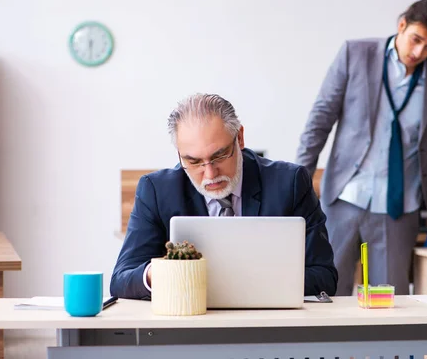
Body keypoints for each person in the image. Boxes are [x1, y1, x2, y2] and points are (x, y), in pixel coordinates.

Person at [295, 0, 427, 296]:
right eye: (416, 40)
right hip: (344, 197)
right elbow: (320, 120)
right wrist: (299, 181)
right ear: (401, 25)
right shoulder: (355, 54)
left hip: (401, 204)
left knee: (391, 302)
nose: (419, 52)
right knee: (324, 294)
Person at [111, 93, 338, 299]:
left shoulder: (290, 183)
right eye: (194, 161)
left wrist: (247, 283)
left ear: (239, 138)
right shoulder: (157, 190)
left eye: (219, 156)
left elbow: (324, 277)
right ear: (179, 155)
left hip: (267, 325)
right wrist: (162, 274)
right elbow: (122, 279)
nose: (209, 174)